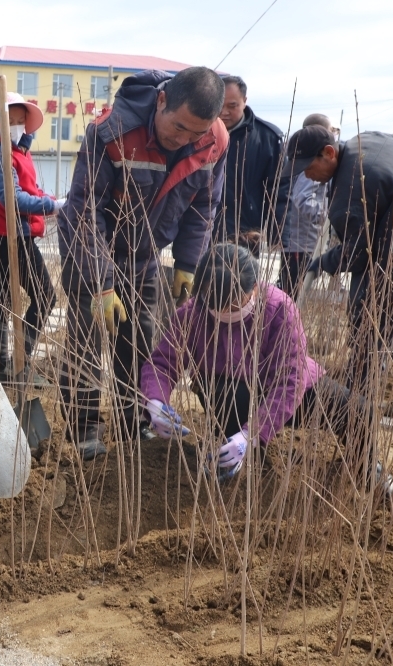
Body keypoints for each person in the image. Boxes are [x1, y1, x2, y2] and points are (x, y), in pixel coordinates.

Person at [57, 66, 228, 460]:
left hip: (145, 256)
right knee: (87, 339)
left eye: (196, 133)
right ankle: (85, 429)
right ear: (162, 101)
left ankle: (134, 420)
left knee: (140, 340)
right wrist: (100, 283)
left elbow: (204, 205)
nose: (184, 139)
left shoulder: (214, 141)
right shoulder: (113, 132)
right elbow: (85, 211)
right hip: (93, 251)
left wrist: (188, 261)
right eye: (179, 128)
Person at [140, 234, 387, 489]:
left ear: (254, 288)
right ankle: (241, 460)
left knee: (359, 410)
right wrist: (155, 401)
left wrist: (252, 434)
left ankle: (368, 471)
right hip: (230, 393)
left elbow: (292, 380)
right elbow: (161, 363)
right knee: (226, 392)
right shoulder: (192, 314)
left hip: (282, 389)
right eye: (216, 306)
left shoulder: (280, 308)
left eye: (234, 304)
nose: (225, 313)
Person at [288, 125, 393, 422]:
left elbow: (358, 254)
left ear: (329, 152)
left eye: (308, 168)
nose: (306, 176)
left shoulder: (349, 193)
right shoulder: (367, 139)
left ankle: (354, 416)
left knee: (370, 337)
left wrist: (323, 262)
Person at [0, 92, 61, 385]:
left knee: (9, 299)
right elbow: (14, 199)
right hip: (4, 235)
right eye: (13, 120)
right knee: (33, 297)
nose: (19, 125)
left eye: (22, 120)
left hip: (19, 234)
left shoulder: (19, 151)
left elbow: (29, 191)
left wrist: (52, 201)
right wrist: (53, 206)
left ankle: (12, 365)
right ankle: (11, 365)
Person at [217, 75, 290, 243]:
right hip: (202, 228)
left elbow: (280, 191)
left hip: (245, 234)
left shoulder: (267, 138)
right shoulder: (199, 131)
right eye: (219, 105)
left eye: (232, 106)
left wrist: (278, 237)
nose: (224, 112)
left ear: (244, 100)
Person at [278, 114, 336, 299]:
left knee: (295, 293)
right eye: (331, 131)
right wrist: (329, 214)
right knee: (292, 295)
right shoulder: (310, 167)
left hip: (302, 242)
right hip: (301, 244)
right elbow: (303, 199)